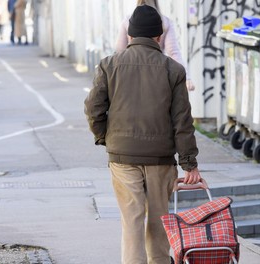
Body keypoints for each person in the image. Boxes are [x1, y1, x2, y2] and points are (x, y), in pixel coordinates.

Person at [84, 5, 202, 264]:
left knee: (131, 220)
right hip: (160, 159)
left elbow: (93, 108)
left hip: (122, 157)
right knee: (160, 220)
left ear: (130, 35)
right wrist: (189, 164)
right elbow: (182, 121)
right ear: (159, 37)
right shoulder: (174, 70)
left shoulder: (109, 65)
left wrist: (106, 136)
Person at [115, 0, 195, 91]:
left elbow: (119, 51)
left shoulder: (127, 21)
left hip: (132, 74)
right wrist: (186, 78)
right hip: (158, 74)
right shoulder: (165, 22)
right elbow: (173, 52)